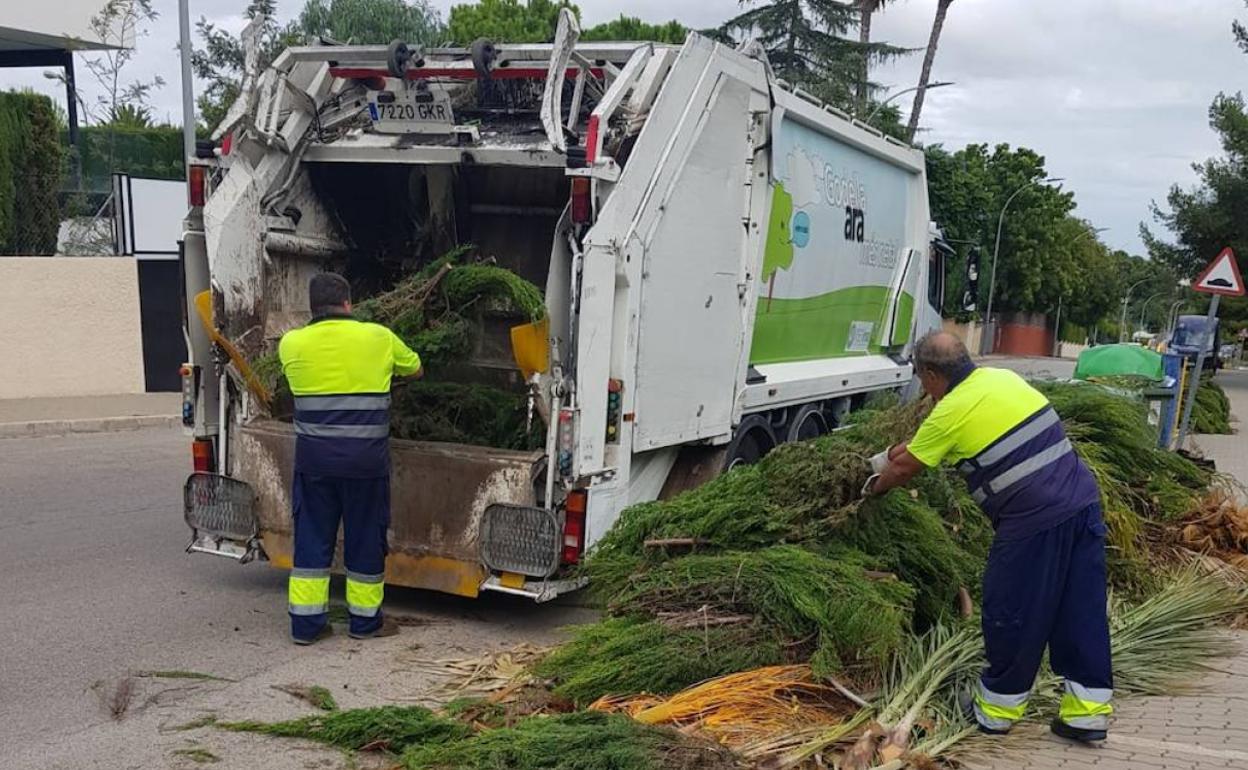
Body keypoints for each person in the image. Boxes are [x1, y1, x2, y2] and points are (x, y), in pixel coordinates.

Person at [866, 331, 1113, 743]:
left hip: (1033, 521)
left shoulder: (950, 412)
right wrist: (892, 452)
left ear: (930, 374)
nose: (923, 389)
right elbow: (923, 445)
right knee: (1079, 611)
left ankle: (995, 710)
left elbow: (906, 468)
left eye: (921, 379)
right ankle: (1086, 713)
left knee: (1012, 610)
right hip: (1082, 505)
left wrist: (867, 488)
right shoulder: (1002, 380)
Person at [278, 273, 423, 645]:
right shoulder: (378, 337)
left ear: (312, 307)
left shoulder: (291, 344)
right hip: (365, 465)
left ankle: (306, 628)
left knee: (312, 540)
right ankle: (364, 624)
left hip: (314, 465)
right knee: (364, 540)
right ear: (348, 303)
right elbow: (416, 368)